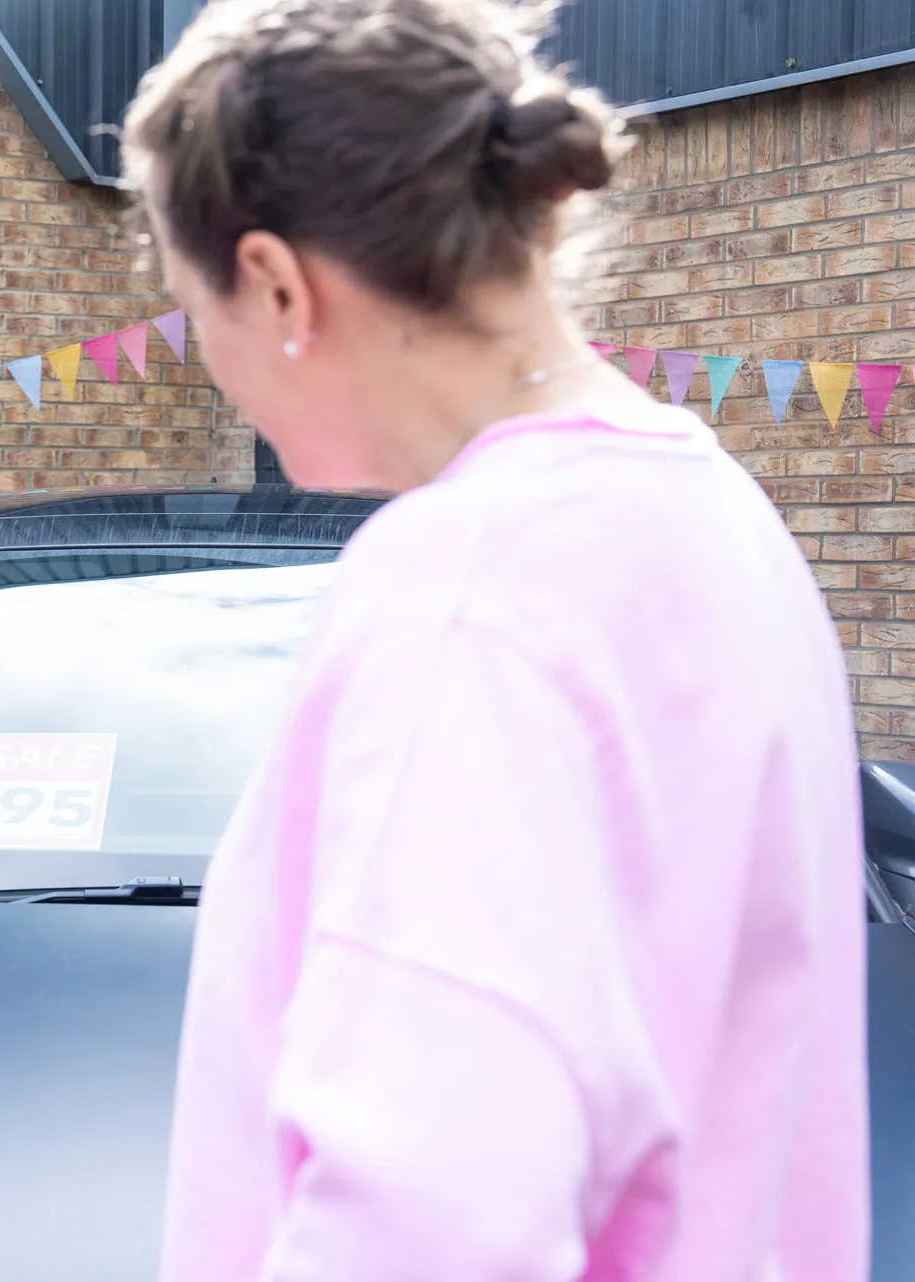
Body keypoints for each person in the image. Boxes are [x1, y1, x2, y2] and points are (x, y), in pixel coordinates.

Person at [123, 2, 866, 1279]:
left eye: (197, 313)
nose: (218, 368)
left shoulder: (466, 590)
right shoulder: (711, 507)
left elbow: (431, 1217)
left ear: (279, 285)